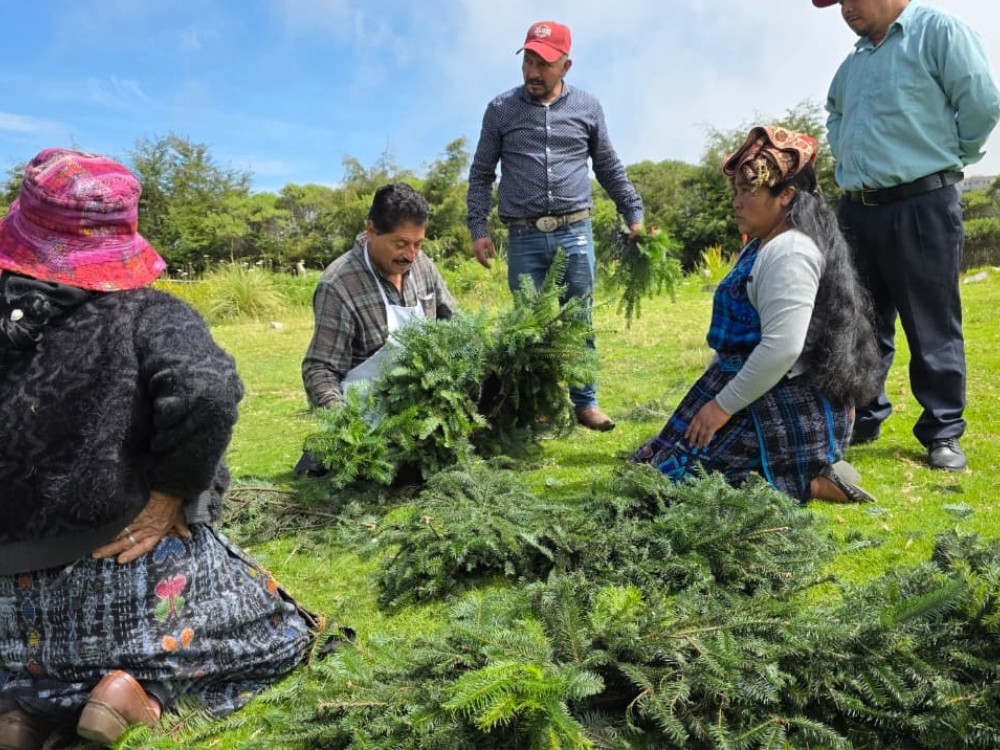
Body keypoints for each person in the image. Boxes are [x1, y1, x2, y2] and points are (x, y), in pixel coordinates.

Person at [0, 149, 317, 749]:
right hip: (120, 578)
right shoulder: (150, 313)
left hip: (9, 619)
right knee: (283, 631)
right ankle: (136, 694)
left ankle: (23, 708)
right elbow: (207, 389)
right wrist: (173, 493)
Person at [633, 126, 882, 504]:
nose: (736, 203)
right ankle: (808, 469)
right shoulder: (767, 244)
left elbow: (783, 349)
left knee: (682, 490)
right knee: (653, 467)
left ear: (786, 195)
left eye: (748, 191)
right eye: (735, 191)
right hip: (758, 386)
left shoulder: (791, 252)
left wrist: (720, 408)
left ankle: (811, 478)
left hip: (786, 404)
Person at [817, 0, 1000, 471]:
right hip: (857, 210)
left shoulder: (938, 32)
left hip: (921, 203)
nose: (845, 9)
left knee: (930, 322)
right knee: (860, 321)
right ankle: (864, 415)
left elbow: (982, 102)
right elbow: (834, 113)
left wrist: (952, 153)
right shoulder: (855, 61)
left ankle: (942, 430)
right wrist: (844, 151)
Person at [466, 20, 644, 432]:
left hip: (574, 232)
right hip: (523, 236)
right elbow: (481, 173)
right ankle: (540, 406)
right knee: (528, 328)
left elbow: (608, 166)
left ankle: (586, 403)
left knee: (578, 319)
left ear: (565, 65)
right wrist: (478, 227)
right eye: (528, 61)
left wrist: (633, 213)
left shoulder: (588, 107)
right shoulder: (500, 110)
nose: (532, 71)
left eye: (543, 63)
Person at [302, 182, 456, 410]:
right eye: (401, 244)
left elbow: (455, 323)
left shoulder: (422, 265)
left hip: (425, 410)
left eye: (418, 244)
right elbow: (320, 369)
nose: (411, 255)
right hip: (366, 415)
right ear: (372, 231)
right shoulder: (339, 285)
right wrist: (342, 419)